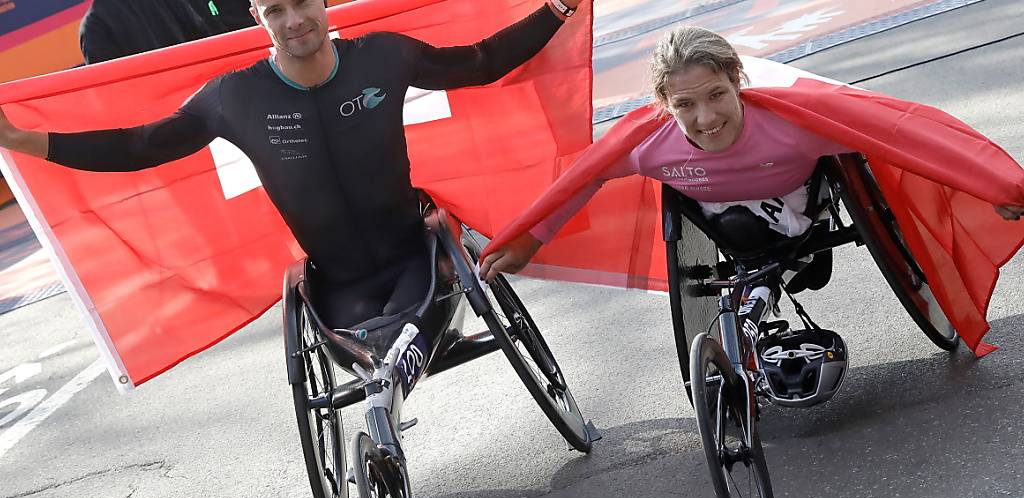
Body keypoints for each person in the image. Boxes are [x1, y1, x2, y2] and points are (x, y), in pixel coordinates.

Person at [2, 0, 582, 335]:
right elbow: (138, 147)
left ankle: (388, 392)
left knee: (403, 336)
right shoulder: (232, 98)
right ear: (257, 17)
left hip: (416, 256)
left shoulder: (382, 55)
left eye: (301, 2)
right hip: (336, 286)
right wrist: (22, 140)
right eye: (275, 9)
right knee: (374, 345)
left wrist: (556, 8)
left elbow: (482, 63)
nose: (293, 19)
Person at [478, 26, 1024, 282]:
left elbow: (904, 134)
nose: (706, 118)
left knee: (781, 227)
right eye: (686, 104)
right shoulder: (647, 146)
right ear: (664, 105)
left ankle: (803, 249)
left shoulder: (797, 125)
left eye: (716, 95)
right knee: (738, 230)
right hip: (719, 215)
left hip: (795, 193)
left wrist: (990, 185)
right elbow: (581, 181)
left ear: (737, 82)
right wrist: (530, 240)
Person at [79, 0, 215, 64]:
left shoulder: (94, 25)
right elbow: (204, 38)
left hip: (153, 115)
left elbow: (108, 91)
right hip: (199, 103)